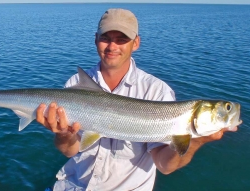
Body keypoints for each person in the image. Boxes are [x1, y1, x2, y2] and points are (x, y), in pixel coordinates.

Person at [36, 8, 238, 191]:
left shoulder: (156, 91)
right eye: (106, 37)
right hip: (72, 186)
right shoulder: (75, 84)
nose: (112, 46)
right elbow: (71, 151)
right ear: (95, 39)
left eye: (122, 39)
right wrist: (63, 134)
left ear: (136, 43)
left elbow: (164, 166)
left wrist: (196, 140)